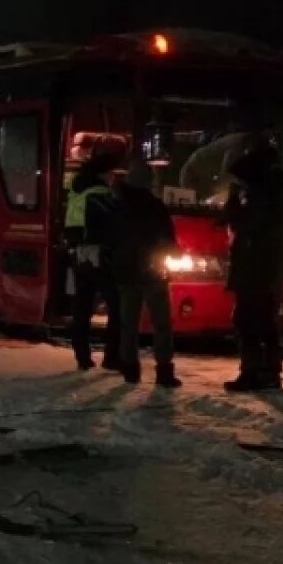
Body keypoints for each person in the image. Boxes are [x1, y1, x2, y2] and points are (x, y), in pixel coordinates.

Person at [222, 137, 283, 391]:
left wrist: (234, 198)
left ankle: (253, 372)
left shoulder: (258, 193)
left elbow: (239, 222)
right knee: (265, 318)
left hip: (254, 267)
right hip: (268, 266)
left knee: (247, 319)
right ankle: (270, 371)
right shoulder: (278, 187)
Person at [110, 160, 181, 388]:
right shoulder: (155, 207)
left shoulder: (118, 206)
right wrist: (172, 255)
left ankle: (130, 369)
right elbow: (167, 238)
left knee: (128, 323)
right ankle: (163, 371)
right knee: (161, 323)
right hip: (153, 272)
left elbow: (110, 240)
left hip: (126, 273)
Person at [65, 149, 122, 370]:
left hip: (80, 253)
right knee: (116, 306)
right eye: (112, 173)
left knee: (82, 306)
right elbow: (114, 225)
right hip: (101, 254)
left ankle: (82, 357)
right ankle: (111, 357)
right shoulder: (100, 193)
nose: (114, 177)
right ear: (103, 173)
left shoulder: (76, 190)